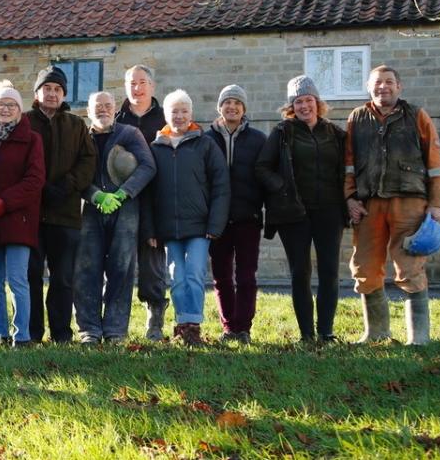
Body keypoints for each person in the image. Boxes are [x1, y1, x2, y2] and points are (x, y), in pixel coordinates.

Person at [344, 65, 440, 346]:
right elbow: (349, 164)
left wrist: (437, 203)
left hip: (410, 202)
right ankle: (376, 333)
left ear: (399, 87)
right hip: (369, 205)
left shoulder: (416, 115)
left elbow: (435, 161)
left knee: (411, 266)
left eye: (389, 82)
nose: (383, 87)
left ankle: (419, 338)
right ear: (369, 87)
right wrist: (350, 198)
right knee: (365, 267)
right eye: (378, 83)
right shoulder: (357, 118)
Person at [255, 76, 347, 343]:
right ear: (291, 106)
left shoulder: (336, 134)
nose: (305, 105)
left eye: (309, 100)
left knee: (329, 271)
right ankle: (307, 334)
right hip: (293, 213)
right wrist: (282, 186)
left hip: (329, 211)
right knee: (301, 271)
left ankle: (326, 332)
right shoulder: (283, 132)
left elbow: (347, 169)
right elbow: (262, 168)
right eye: (298, 101)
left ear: (317, 103)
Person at [141, 89, 229, 345]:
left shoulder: (205, 144)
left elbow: (221, 185)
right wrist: (150, 230)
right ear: (166, 115)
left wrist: (215, 223)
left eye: (184, 111)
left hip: (200, 227)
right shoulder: (155, 148)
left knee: (194, 274)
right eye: (174, 111)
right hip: (168, 229)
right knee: (177, 277)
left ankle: (193, 325)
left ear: (191, 113)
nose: (179, 116)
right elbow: (147, 193)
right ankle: (182, 323)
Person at [74, 91, 156, 344]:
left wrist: (123, 194)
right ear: (88, 112)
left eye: (108, 105)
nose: (103, 110)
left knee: (121, 268)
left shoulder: (129, 134)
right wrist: (95, 195)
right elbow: (74, 172)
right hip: (90, 209)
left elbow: (147, 166)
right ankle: (89, 330)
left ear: (115, 109)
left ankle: (115, 331)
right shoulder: (81, 137)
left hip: (126, 210)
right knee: (86, 269)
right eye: (97, 107)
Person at [25, 65, 97, 344]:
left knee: (63, 279)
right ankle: (31, 332)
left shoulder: (76, 125)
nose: (52, 93)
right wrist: (39, 189)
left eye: (57, 89)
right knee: (31, 275)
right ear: (37, 92)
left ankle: (61, 333)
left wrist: (67, 186)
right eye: (47, 88)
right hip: (31, 214)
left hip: (66, 215)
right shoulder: (25, 122)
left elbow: (88, 161)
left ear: (64, 93)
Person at [0, 82, 45, 346]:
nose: (5, 109)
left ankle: (21, 335)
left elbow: (34, 180)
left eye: (11, 105)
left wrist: (4, 202)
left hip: (18, 219)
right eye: (1, 105)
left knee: (17, 279)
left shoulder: (31, 139)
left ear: (19, 110)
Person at [204, 84, 267, 343]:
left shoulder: (258, 139)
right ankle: (229, 326)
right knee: (221, 276)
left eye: (237, 103)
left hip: (247, 218)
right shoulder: (206, 139)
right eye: (227, 103)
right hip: (217, 220)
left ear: (244, 109)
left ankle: (244, 328)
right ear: (220, 107)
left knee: (246, 275)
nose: (232, 107)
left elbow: (264, 176)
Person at [114, 64, 170, 340]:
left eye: (142, 82)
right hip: (122, 198)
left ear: (152, 86)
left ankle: (155, 321)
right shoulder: (116, 119)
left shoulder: (165, 119)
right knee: (119, 263)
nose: (137, 88)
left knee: (152, 263)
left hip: (156, 199)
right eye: (132, 83)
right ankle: (116, 323)